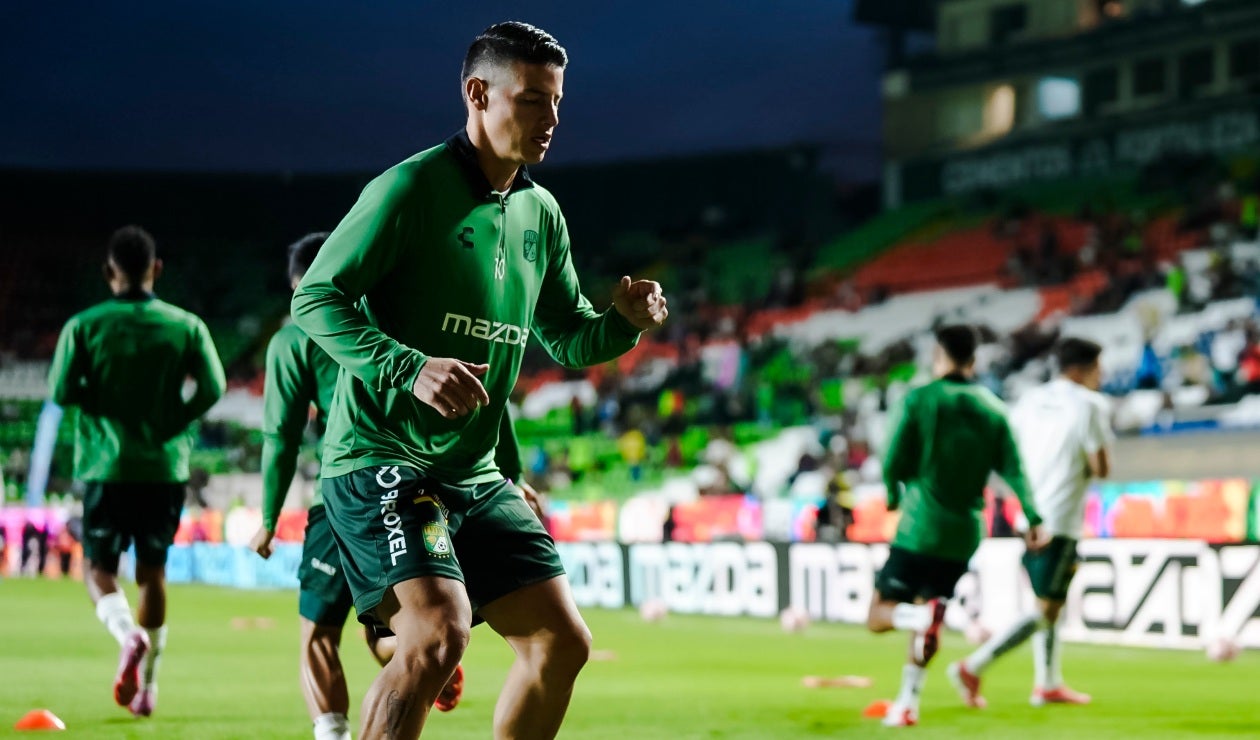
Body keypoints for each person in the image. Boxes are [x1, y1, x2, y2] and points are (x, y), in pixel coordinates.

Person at [291, 21, 667, 740]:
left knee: (563, 644)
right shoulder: (409, 189)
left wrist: (620, 321)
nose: (550, 119)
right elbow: (314, 299)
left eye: (556, 102)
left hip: (474, 472)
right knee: (437, 634)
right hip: (381, 459)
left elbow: (567, 335)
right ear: (478, 93)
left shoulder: (541, 212)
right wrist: (408, 367)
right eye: (531, 100)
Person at [252, 233, 539, 738]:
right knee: (402, 627)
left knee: (317, 635)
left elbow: (282, 434)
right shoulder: (390, 310)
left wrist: (269, 517)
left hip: (349, 491)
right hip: (422, 482)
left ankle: (334, 732)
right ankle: (431, 663)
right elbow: (488, 399)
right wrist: (511, 476)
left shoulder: (297, 336)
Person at [48, 225, 226, 717]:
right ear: (157, 269)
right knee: (153, 575)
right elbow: (213, 387)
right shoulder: (187, 326)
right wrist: (173, 419)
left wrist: (102, 401)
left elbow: (60, 391)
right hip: (165, 468)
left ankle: (127, 637)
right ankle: (148, 690)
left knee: (100, 570)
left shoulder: (85, 326)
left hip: (106, 466)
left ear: (109, 272)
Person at [867, 324, 1046, 728]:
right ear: (974, 360)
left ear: (938, 355)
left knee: (879, 615)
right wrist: (1033, 516)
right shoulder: (994, 408)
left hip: (921, 526)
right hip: (965, 535)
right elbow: (1014, 470)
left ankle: (916, 621)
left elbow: (892, 456)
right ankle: (907, 703)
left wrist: (893, 494)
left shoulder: (920, 399)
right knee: (933, 609)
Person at [949, 337, 1112, 709]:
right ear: (1081, 369)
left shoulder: (1029, 400)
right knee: (1046, 609)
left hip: (1029, 517)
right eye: (1097, 368)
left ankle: (1048, 683)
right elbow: (1101, 468)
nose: (1101, 376)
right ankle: (973, 666)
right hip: (1062, 518)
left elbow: (1006, 455)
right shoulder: (1090, 405)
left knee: (1050, 600)